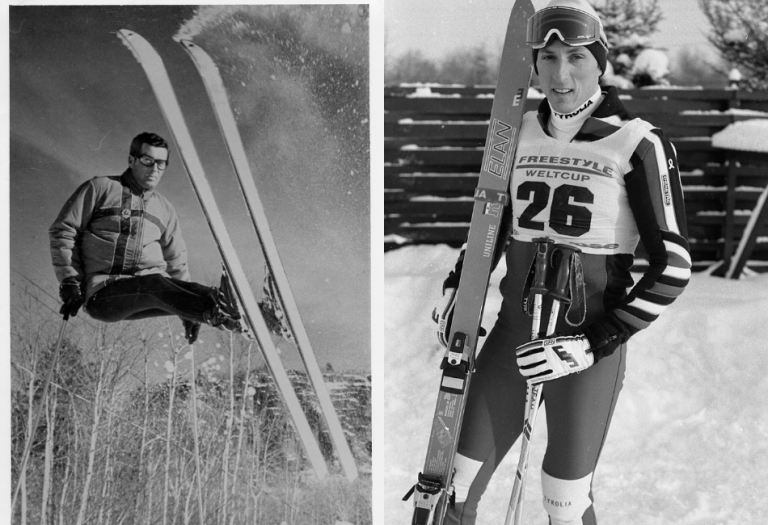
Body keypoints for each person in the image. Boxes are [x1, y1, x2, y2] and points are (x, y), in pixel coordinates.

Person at [431, 1, 691, 523]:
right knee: (450, 490)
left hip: (585, 347)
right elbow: (490, 227)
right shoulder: (517, 132)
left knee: (563, 502)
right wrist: (459, 287)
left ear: (600, 61)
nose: (561, 73)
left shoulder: (636, 143)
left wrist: (592, 345)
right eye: (547, 58)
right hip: (512, 337)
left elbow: (674, 267)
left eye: (575, 56)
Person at [49, 132, 244, 344]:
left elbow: (176, 260)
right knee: (155, 283)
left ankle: (253, 316)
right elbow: (64, 231)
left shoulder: (165, 209)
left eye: (161, 164)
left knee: (196, 289)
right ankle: (216, 314)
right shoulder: (101, 188)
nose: (154, 169)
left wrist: (187, 311)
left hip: (150, 289)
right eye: (148, 161)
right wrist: (70, 281)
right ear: (132, 160)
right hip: (104, 294)